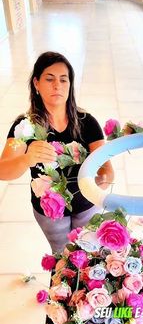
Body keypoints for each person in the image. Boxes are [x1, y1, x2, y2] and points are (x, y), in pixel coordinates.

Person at [0, 51, 114, 253]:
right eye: (49, 79)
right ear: (36, 83)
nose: (57, 85)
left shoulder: (87, 122)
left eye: (64, 80)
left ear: (70, 85)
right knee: (62, 257)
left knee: (88, 256)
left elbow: (106, 167)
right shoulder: (25, 127)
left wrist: (104, 178)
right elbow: (3, 171)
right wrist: (27, 158)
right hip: (50, 212)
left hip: (87, 204)